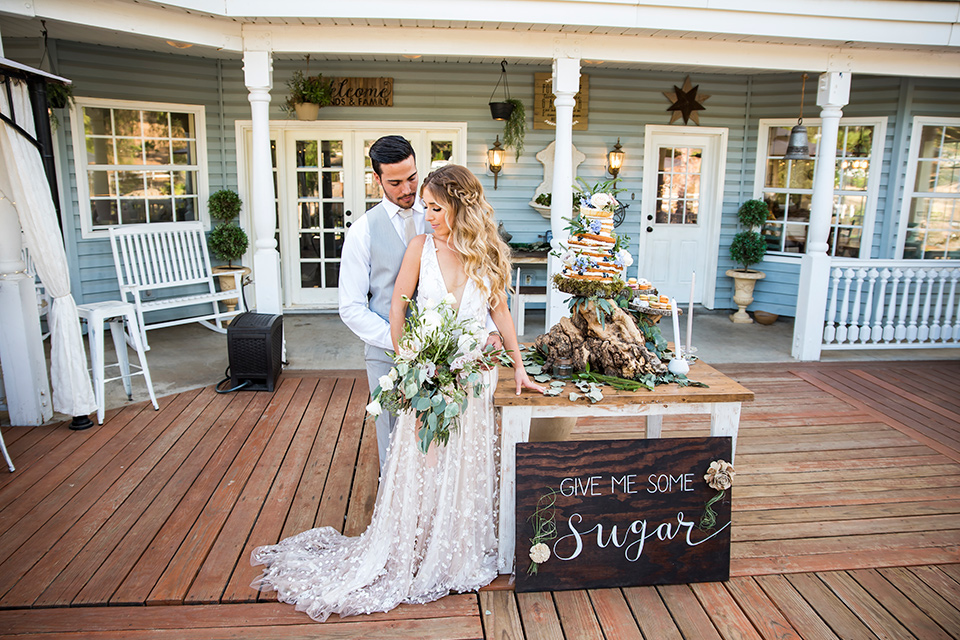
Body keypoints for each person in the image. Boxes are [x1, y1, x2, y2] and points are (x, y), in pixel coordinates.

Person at [250, 164, 544, 622]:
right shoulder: (419, 247)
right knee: (422, 461)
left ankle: (455, 547)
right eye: (424, 205)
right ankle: (415, 544)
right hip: (427, 373)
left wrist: (519, 367)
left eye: (434, 207)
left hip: (473, 379)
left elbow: (500, 311)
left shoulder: (485, 252)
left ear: (460, 206)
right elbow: (397, 305)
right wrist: (410, 362)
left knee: (464, 462)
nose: (424, 213)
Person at [338, 136, 503, 474]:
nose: (407, 188)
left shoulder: (441, 213)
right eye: (395, 182)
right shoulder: (362, 232)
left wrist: (488, 330)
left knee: (445, 446)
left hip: (454, 358)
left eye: (412, 177)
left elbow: (472, 282)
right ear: (377, 179)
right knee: (395, 443)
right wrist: (407, 347)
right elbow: (351, 307)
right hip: (388, 354)